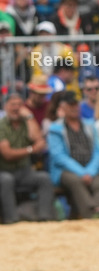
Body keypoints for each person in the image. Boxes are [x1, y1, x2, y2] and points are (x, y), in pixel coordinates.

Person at [47, 90, 99, 219]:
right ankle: (90, 213)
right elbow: (59, 157)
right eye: (71, 105)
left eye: (76, 104)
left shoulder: (89, 126)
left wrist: (90, 171)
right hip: (65, 171)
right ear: (63, 107)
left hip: (89, 169)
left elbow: (98, 151)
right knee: (76, 181)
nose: (74, 108)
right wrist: (82, 172)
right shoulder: (55, 129)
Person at [0, 92, 55, 224]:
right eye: (13, 105)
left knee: (44, 178)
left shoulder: (26, 123)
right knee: (6, 180)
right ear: (5, 107)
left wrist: (30, 116)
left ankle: (44, 218)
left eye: (19, 105)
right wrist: (30, 150)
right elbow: (8, 154)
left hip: (24, 171)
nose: (16, 108)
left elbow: (39, 141)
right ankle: (11, 220)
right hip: (4, 171)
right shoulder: (2, 126)